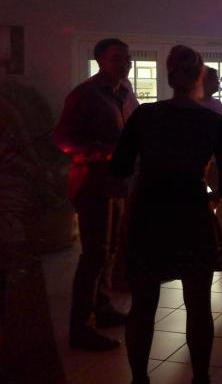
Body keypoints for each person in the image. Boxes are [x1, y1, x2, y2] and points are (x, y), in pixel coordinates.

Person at [110, 45, 222, 384]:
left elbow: (120, 166)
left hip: (149, 210)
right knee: (198, 303)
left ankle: (140, 378)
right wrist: (212, 195)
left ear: (168, 76)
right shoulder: (214, 122)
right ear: (199, 77)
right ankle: (200, 377)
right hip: (191, 211)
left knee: (143, 304)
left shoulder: (145, 116)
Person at [54, 37, 138, 351]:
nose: (124, 64)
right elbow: (63, 138)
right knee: (94, 254)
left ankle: (102, 308)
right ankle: (81, 327)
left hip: (117, 183)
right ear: (100, 60)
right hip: (92, 184)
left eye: (127, 58)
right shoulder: (85, 94)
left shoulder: (124, 92)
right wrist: (102, 153)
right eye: (117, 58)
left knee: (110, 250)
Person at [199, 66, 222, 258]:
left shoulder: (216, 104)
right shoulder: (194, 104)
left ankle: (219, 240)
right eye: (214, 79)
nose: (218, 82)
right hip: (198, 163)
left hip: (214, 162)